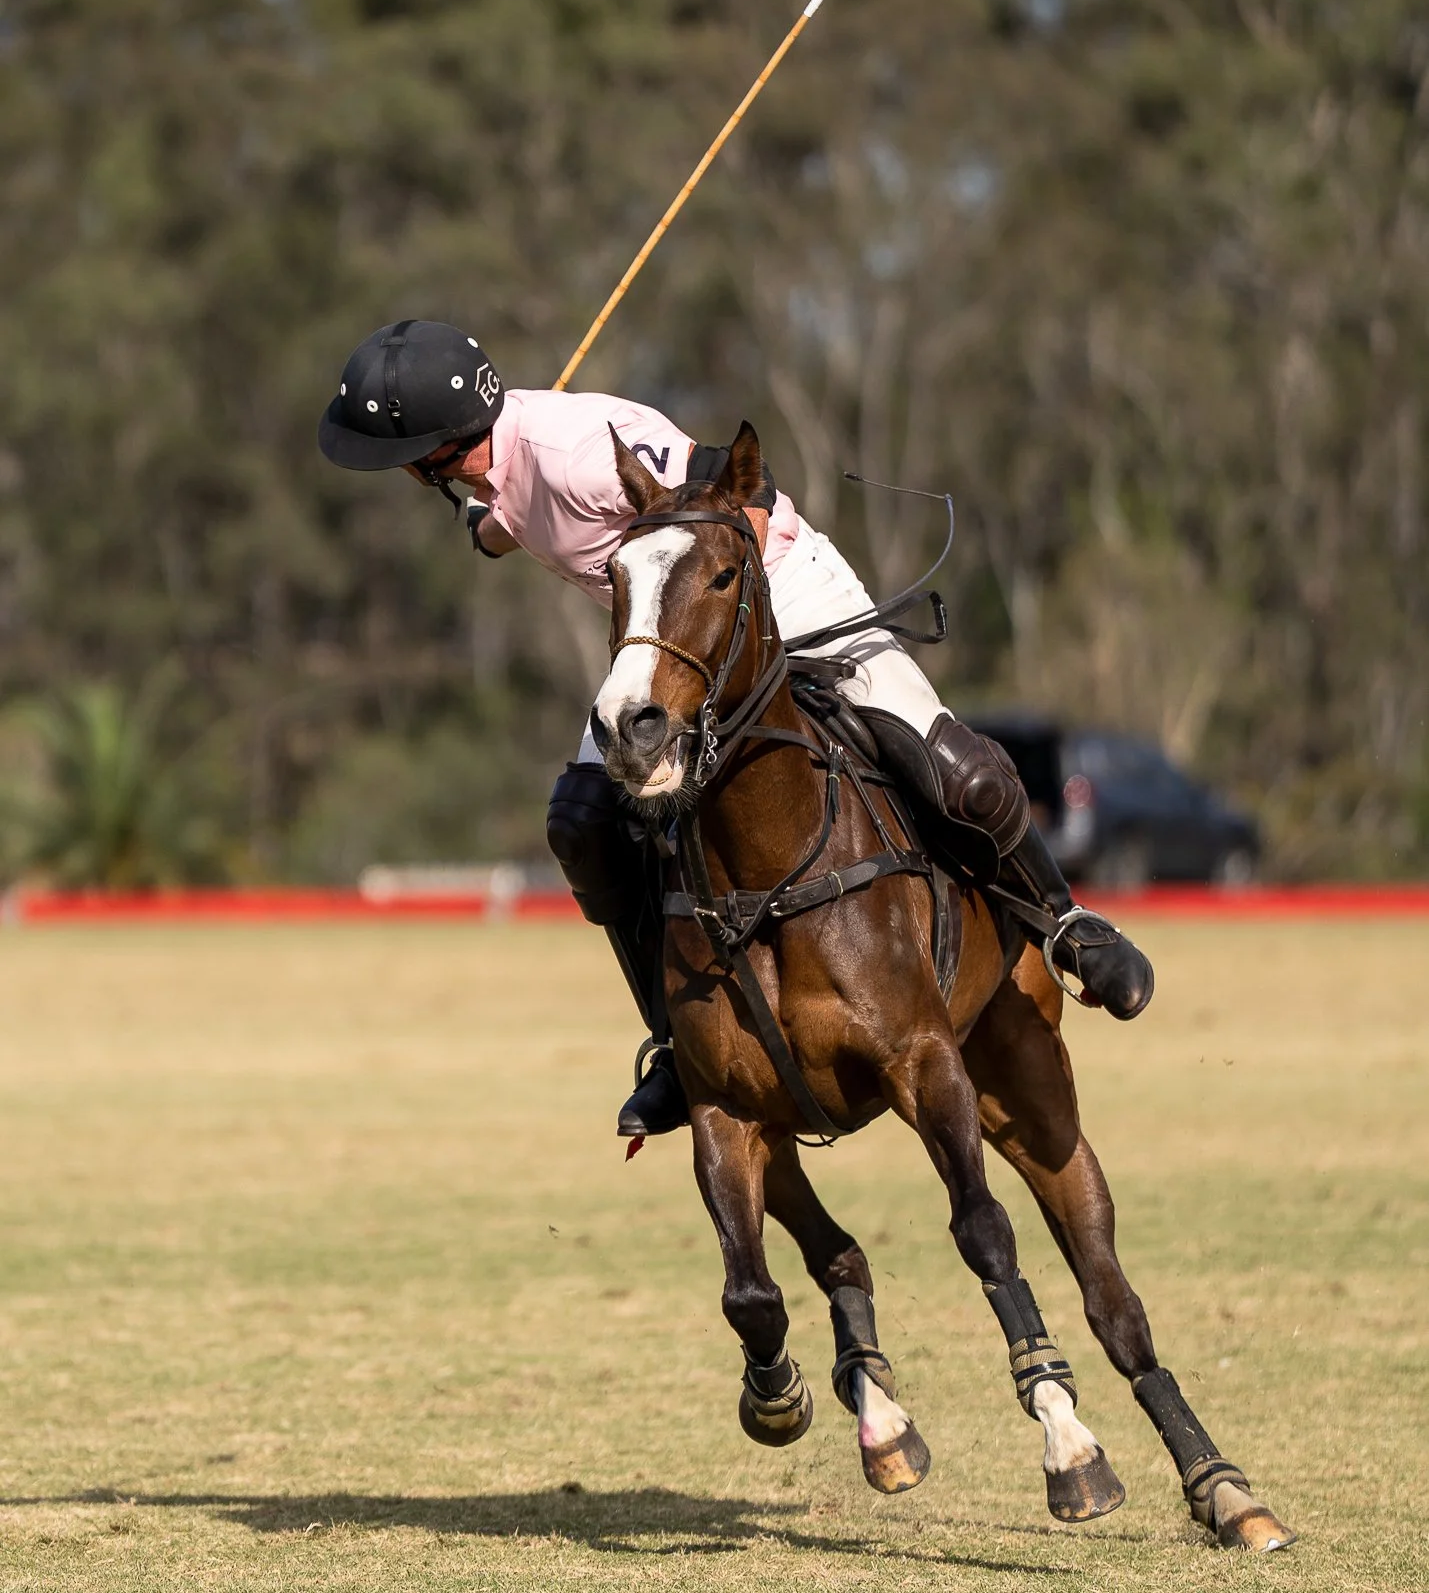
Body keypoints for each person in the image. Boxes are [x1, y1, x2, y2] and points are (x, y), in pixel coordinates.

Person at [318, 319, 1154, 1137]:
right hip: (669, 646)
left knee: (943, 759)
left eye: (394, 461)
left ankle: (1068, 926)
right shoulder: (505, 475)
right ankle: (676, 1047)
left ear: (433, 450)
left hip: (776, 587)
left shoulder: (575, 450)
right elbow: (515, 518)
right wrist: (489, 532)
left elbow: (733, 484)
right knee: (581, 825)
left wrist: (735, 617)